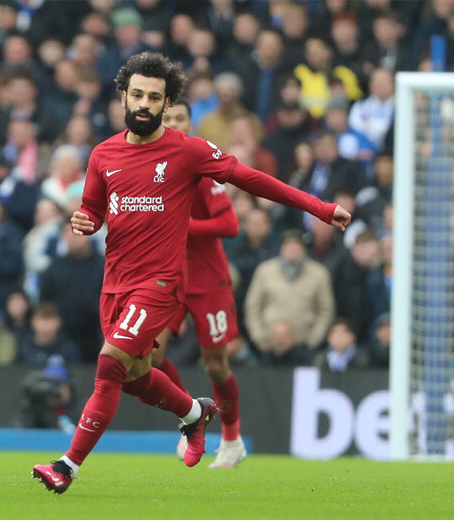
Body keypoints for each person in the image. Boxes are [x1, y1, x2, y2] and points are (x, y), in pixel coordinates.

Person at [32, 52, 350, 494]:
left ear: (168, 104)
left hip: (160, 283)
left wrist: (320, 207)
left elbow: (252, 179)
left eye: (155, 98)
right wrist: (85, 220)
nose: (144, 104)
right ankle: (195, 414)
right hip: (115, 282)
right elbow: (93, 210)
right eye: (138, 95)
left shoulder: (188, 151)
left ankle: (67, 465)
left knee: (109, 365)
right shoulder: (103, 154)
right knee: (138, 378)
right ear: (123, 96)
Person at [152, 98, 246, 468]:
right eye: (168, 118)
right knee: (150, 357)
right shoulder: (154, 168)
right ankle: (193, 417)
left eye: (180, 118)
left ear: (190, 124)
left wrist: (183, 226)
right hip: (168, 275)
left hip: (207, 278)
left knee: (215, 365)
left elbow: (230, 226)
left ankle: (233, 438)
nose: (174, 123)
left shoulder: (203, 170)